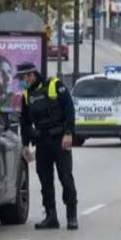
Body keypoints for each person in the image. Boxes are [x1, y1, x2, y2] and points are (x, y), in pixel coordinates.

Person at [16, 62, 78, 230]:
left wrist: (68, 133)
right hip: (42, 142)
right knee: (45, 180)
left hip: (60, 140)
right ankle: (51, 217)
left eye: (23, 77)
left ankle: (71, 216)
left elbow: (69, 109)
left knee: (65, 177)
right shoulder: (27, 94)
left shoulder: (54, 85)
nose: (22, 81)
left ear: (31, 75)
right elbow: (25, 122)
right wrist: (25, 144)